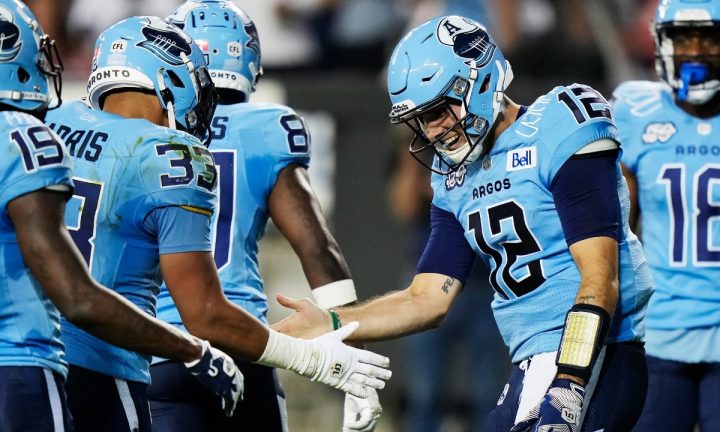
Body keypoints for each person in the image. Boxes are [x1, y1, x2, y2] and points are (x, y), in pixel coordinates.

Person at [273, 15, 655, 431]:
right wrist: (332, 322)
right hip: (532, 365)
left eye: (439, 109)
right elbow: (426, 299)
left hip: (595, 354)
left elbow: (600, 280)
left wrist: (569, 383)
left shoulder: (558, 125)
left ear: (480, 81)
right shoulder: (454, 177)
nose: (434, 129)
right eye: (421, 118)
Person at [44, 15, 391, 432]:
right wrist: (327, 357)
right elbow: (317, 251)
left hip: (57, 356)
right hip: (210, 339)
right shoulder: (188, 151)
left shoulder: (54, 125)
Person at [0, 1, 252, 430]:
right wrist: (193, 350)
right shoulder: (23, 140)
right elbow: (77, 297)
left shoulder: (33, 128)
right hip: (24, 373)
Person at [147, 2, 382, 431]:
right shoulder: (268, 128)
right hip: (243, 343)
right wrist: (358, 365)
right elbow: (317, 248)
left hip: (154, 348)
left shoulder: (139, 134)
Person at [613, 1, 720, 430]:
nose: (694, 50)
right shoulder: (636, 111)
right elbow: (619, 231)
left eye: (708, 38)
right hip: (658, 331)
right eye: (683, 38)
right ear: (662, 44)